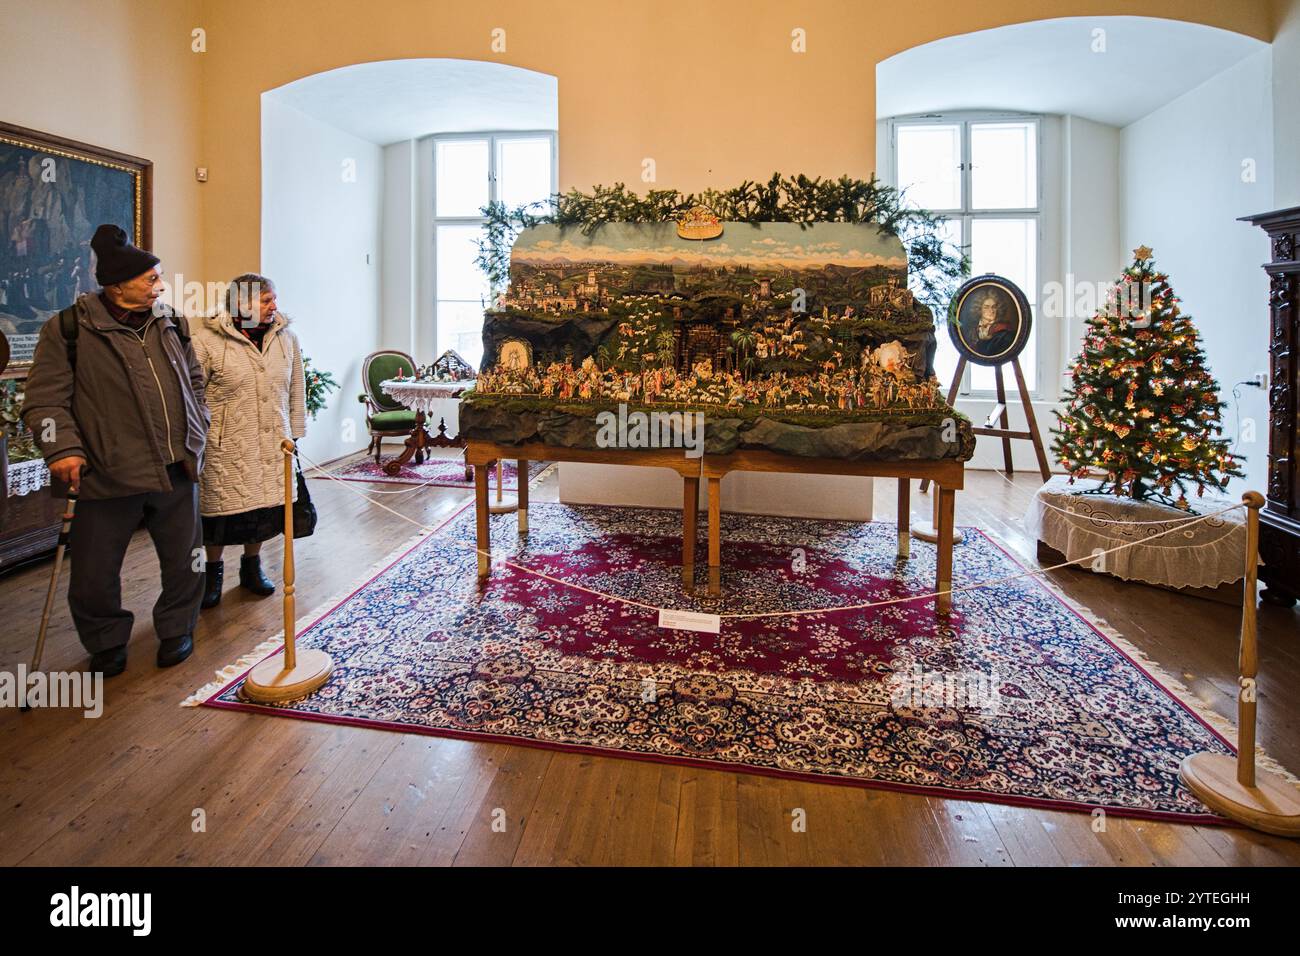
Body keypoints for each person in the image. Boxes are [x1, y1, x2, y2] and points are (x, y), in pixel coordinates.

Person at [21, 224, 209, 676]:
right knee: (93, 571)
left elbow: (195, 379)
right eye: (151, 279)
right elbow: (44, 402)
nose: (160, 286)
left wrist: (199, 423)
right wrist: (61, 449)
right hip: (107, 471)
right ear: (117, 284)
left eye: (159, 277)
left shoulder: (171, 322)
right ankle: (106, 641)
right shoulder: (68, 329)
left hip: (177, 464)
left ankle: (177, 626)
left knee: (186, 559)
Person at [192, 273, 306, 608]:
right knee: (220, 513)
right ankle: (212, 574)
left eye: (274, 299)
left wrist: (295, 432)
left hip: (274, 439)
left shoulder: (287, 339)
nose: (275, 306)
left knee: (262, 510)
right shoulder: (206, 341)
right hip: (225, 443)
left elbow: (296, 388)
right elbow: (193, 394)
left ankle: (251, 567)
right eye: (266, 300)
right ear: (241, 302)